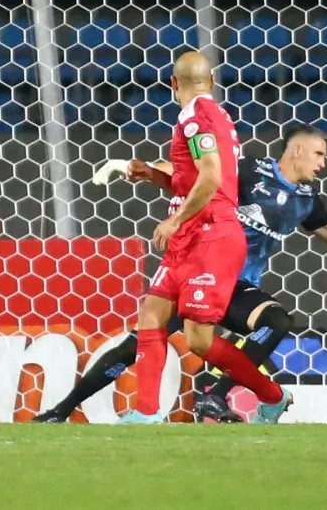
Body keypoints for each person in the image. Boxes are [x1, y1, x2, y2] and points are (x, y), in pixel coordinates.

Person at [35, 124, 327, 423]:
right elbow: (195, 178)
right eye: (319, 154)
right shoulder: (249, 172)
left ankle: (219, 394)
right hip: (197, 272)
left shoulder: (307, 202)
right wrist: (140, 169)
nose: (323, 164)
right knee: (133, 348)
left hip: (235, 287)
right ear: (298, 149)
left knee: (276, 321)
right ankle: (61, 409)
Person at [116, 50, 290, 424]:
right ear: (211, 81)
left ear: (172, 84)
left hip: (210, 237)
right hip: (192, 237)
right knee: (152, 315)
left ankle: (273, 396)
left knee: (198, 340)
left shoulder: (196, 119)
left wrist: (175, 221)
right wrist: (154, 175)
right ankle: (146, 413)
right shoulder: (220, 118)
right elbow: (195, 181)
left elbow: (211, 179)